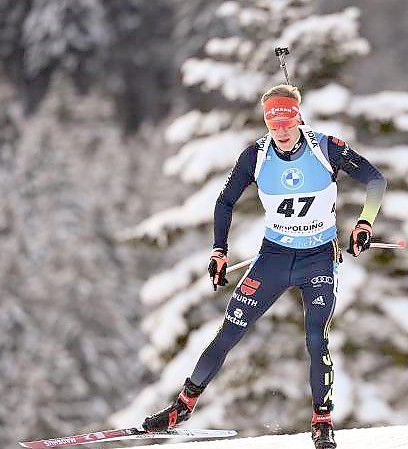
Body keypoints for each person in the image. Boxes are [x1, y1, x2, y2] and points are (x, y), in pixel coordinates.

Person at [142, 84, 387, 449]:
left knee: (316, 337)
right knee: (230, 329)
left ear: (298, 117)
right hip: (273, 258)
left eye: (287, 121)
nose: (282, 131)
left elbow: (375, 180)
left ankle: (322, 421)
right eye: (274, 123)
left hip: (317, 258)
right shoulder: (254, 156)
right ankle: (182, 407)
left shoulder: (326, 149)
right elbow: (225, 201)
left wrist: (365, 222)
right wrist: (218, 251)